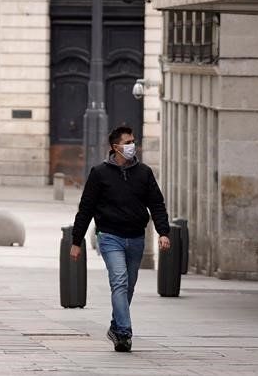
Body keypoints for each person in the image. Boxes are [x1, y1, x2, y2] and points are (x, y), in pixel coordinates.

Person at [69, 126, 171, 353]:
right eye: (128, 142)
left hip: (136, 238)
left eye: (133, 141)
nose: (133, 145)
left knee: (128, 286)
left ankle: (115, 327)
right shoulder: (99, 173)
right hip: (109, 236)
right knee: (119, 281)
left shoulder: (144, 172)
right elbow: (86, 208)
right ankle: (124, 332)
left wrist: (163, 232)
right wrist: (77, 241)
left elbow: (157, 204)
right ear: (115, 147)